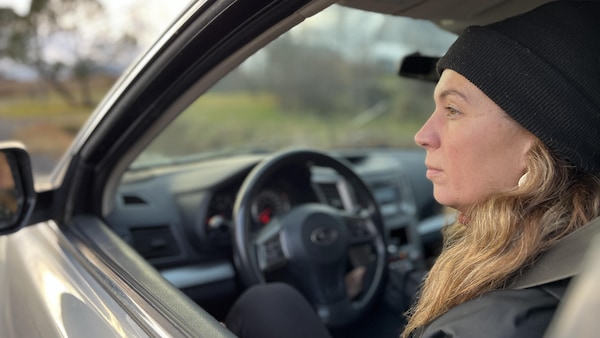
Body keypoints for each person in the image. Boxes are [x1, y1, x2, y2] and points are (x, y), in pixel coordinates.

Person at [225, 1, 600, 337]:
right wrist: (384, 275)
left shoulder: (479, 327)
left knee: (268, 303)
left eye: (452, 110)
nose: (422, 135)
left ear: (537, 140)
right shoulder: (573, 258)